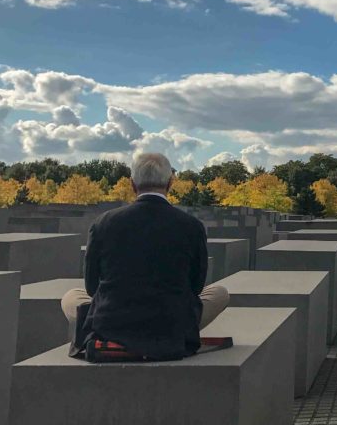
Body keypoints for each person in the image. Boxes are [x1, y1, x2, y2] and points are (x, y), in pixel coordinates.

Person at [61, 152, 229, 360]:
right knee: (220, 293)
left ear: (132, 184)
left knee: (71, 297)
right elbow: (196, 286)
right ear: (170, 183)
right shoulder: (192, 226)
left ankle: (103, 335)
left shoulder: (104, 222)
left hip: (112, 322)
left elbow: (91, 287)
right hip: (172, 324)